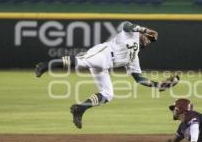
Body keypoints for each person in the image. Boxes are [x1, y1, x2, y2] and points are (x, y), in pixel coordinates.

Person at [34, 21, 179, 129]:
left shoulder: (134, 57)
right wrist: (144, 29)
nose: (148, 39)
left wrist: (159, 85)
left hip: (106, 66)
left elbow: (139, 78)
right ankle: (45, 65)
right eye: (148, 37)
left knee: (108, 94)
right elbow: (126, 25)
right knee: (81, 62)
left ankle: (80, 109)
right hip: (104, 53)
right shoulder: (133, 33)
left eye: (150, 40)